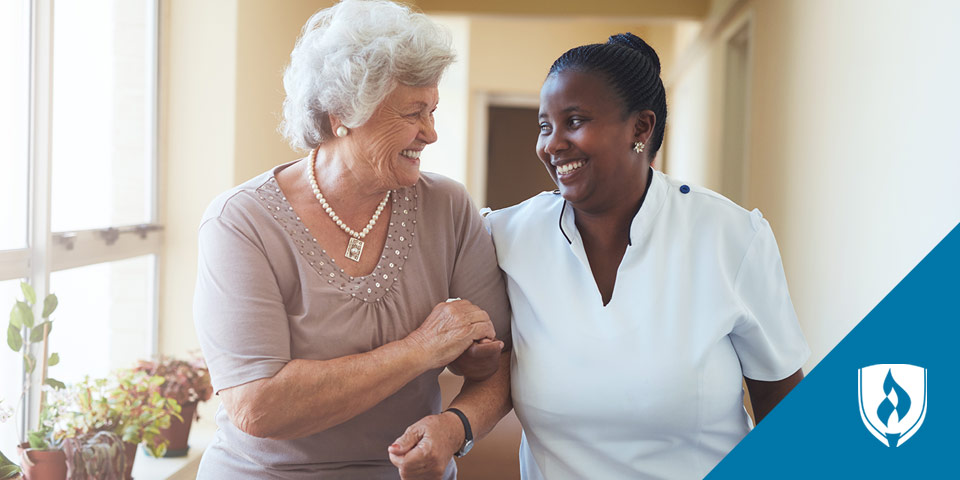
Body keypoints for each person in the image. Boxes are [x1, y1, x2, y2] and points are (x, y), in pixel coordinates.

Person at [393, 33, 810, 479]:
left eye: (574, 121)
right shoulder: (506, 236)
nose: (551, 145)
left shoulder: (731, 237)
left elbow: (784, 411)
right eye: (545, 126)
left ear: (641, 128)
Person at [192, 1, 510, 478]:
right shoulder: (241, 223)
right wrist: (423, 348)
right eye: (413, 113)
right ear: (342, 113)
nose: (431, 133)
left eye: (433, 111)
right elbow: (258, 405)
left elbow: (505, 363)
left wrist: (456, 425)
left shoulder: (448, 206)